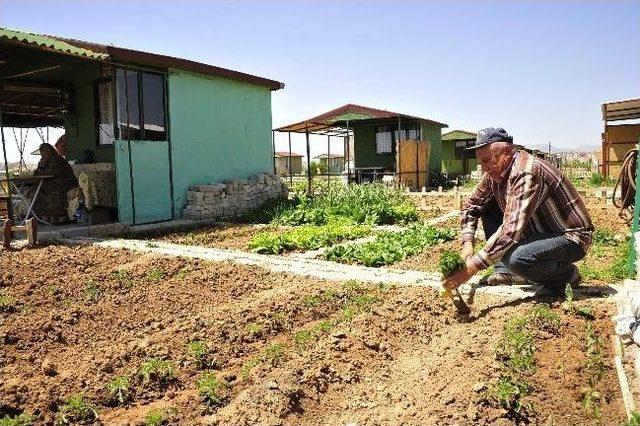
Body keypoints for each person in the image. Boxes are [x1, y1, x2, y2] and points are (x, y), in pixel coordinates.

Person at [442, 128, 594, 295]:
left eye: (487, 160)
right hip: (536, 233)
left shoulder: (526, 172)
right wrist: (467, 244)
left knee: (518, 258)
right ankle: (506, 270)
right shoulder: (495, 173)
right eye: (481, 163)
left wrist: (469, 270)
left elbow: (510, 232)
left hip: (569, 237)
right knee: (487, 206)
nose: (484, 168)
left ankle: (566, 275)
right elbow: (471, 207)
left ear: (507, 151)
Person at [32, 143, 79, 224]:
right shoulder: (43, 161)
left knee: (52, 192)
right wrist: (41, 167)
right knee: (37, 191)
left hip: (66, 182)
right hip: (53, 183)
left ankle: (58, 217)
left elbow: (52, 172)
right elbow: (36, 173)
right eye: (43, 151)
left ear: (52, 151)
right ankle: (42, 217)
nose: (45, 153)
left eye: (47, 151)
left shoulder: (57, 159)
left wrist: (41, 169)